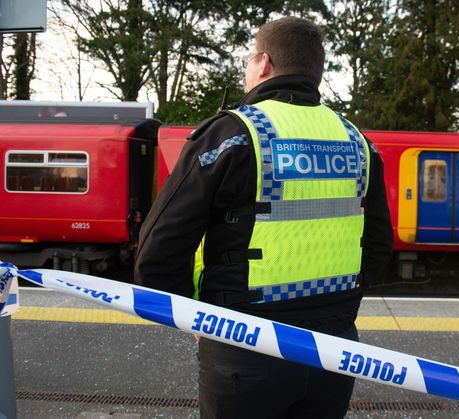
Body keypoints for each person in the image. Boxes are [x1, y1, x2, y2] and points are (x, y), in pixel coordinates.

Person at [134, 16, 393, 419]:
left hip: (246, 343)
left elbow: (159, 250)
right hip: (335, 348)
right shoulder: (357, 140)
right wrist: (338, 309)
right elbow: (377, 247)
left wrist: (202, 318)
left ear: (265, 63)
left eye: (248, 60)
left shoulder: (232, 134)